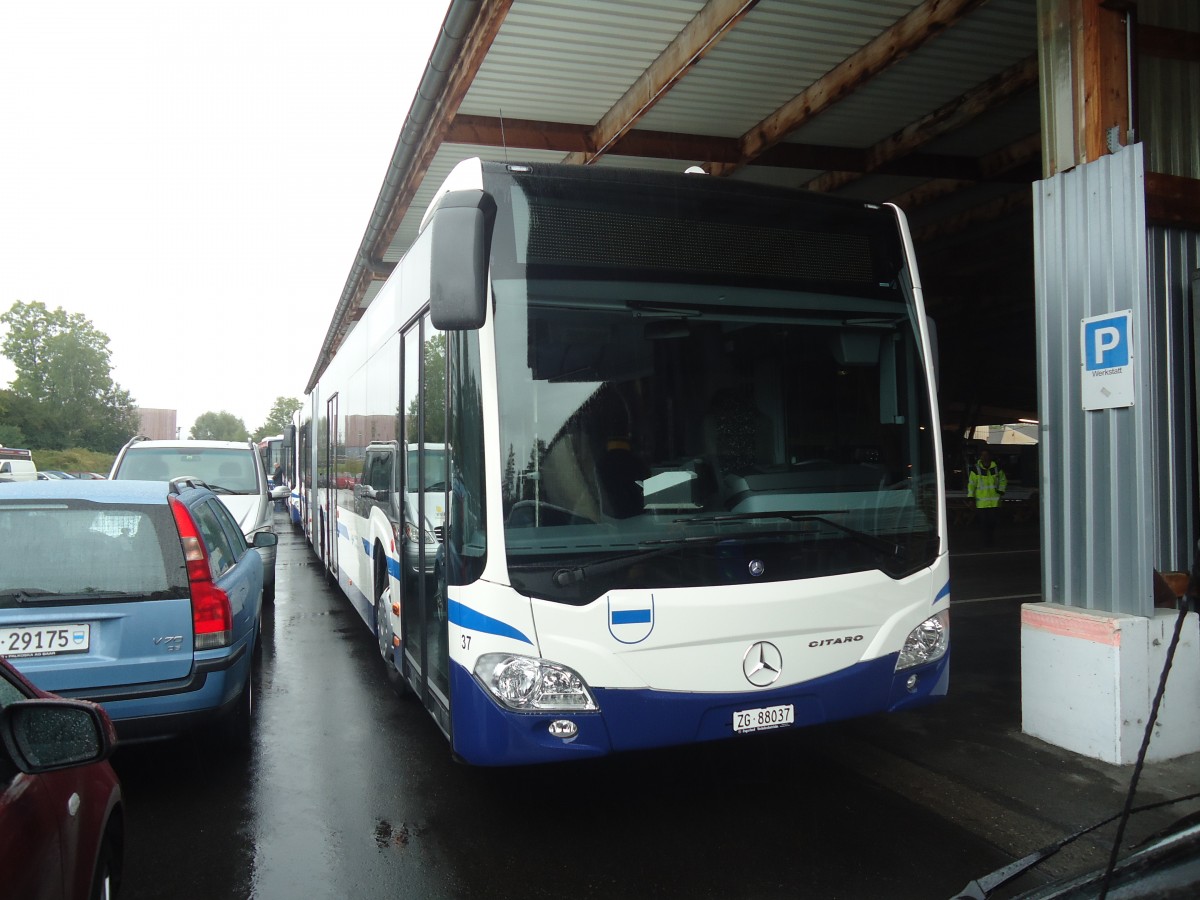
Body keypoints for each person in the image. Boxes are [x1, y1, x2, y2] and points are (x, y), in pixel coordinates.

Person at [967, 448, 1007, 546]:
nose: (985, 457)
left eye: (986, 455)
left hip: (995, 502)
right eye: (983, 455)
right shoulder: (975, 470)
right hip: (982, 504)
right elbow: (971, 485)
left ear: (990, 456)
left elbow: (1003, 480)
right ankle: (986, 542)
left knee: (993, 524)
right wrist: (971, 499)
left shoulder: (997, 468)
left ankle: (990, 541)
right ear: (980, 457)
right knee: (983, 524)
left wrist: (1001, 491)